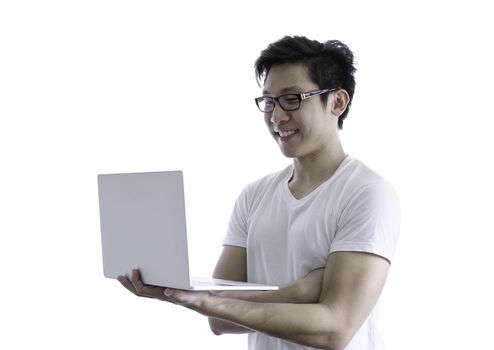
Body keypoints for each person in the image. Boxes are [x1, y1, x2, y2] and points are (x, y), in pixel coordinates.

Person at [118, 35, 401, 350]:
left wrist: (208, 301)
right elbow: (221, 321)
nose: (277, 117)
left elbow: (335, 329)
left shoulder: (367, 193)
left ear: (337, 102)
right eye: (269, 101)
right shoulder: (254, 196)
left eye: (292, 98)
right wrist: (297, 291)